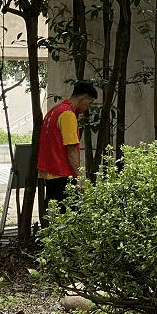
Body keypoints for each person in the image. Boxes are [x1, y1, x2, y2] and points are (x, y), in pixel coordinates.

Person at [37, 80, 98, 214]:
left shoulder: (54, 111)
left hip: (50, 173)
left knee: (56, 215)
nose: (88, 107)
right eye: (89, 103)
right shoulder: (68, 115)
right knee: (67, 217)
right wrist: (80, 177)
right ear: (83, 99)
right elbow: (71, 150)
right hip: (63, 174)